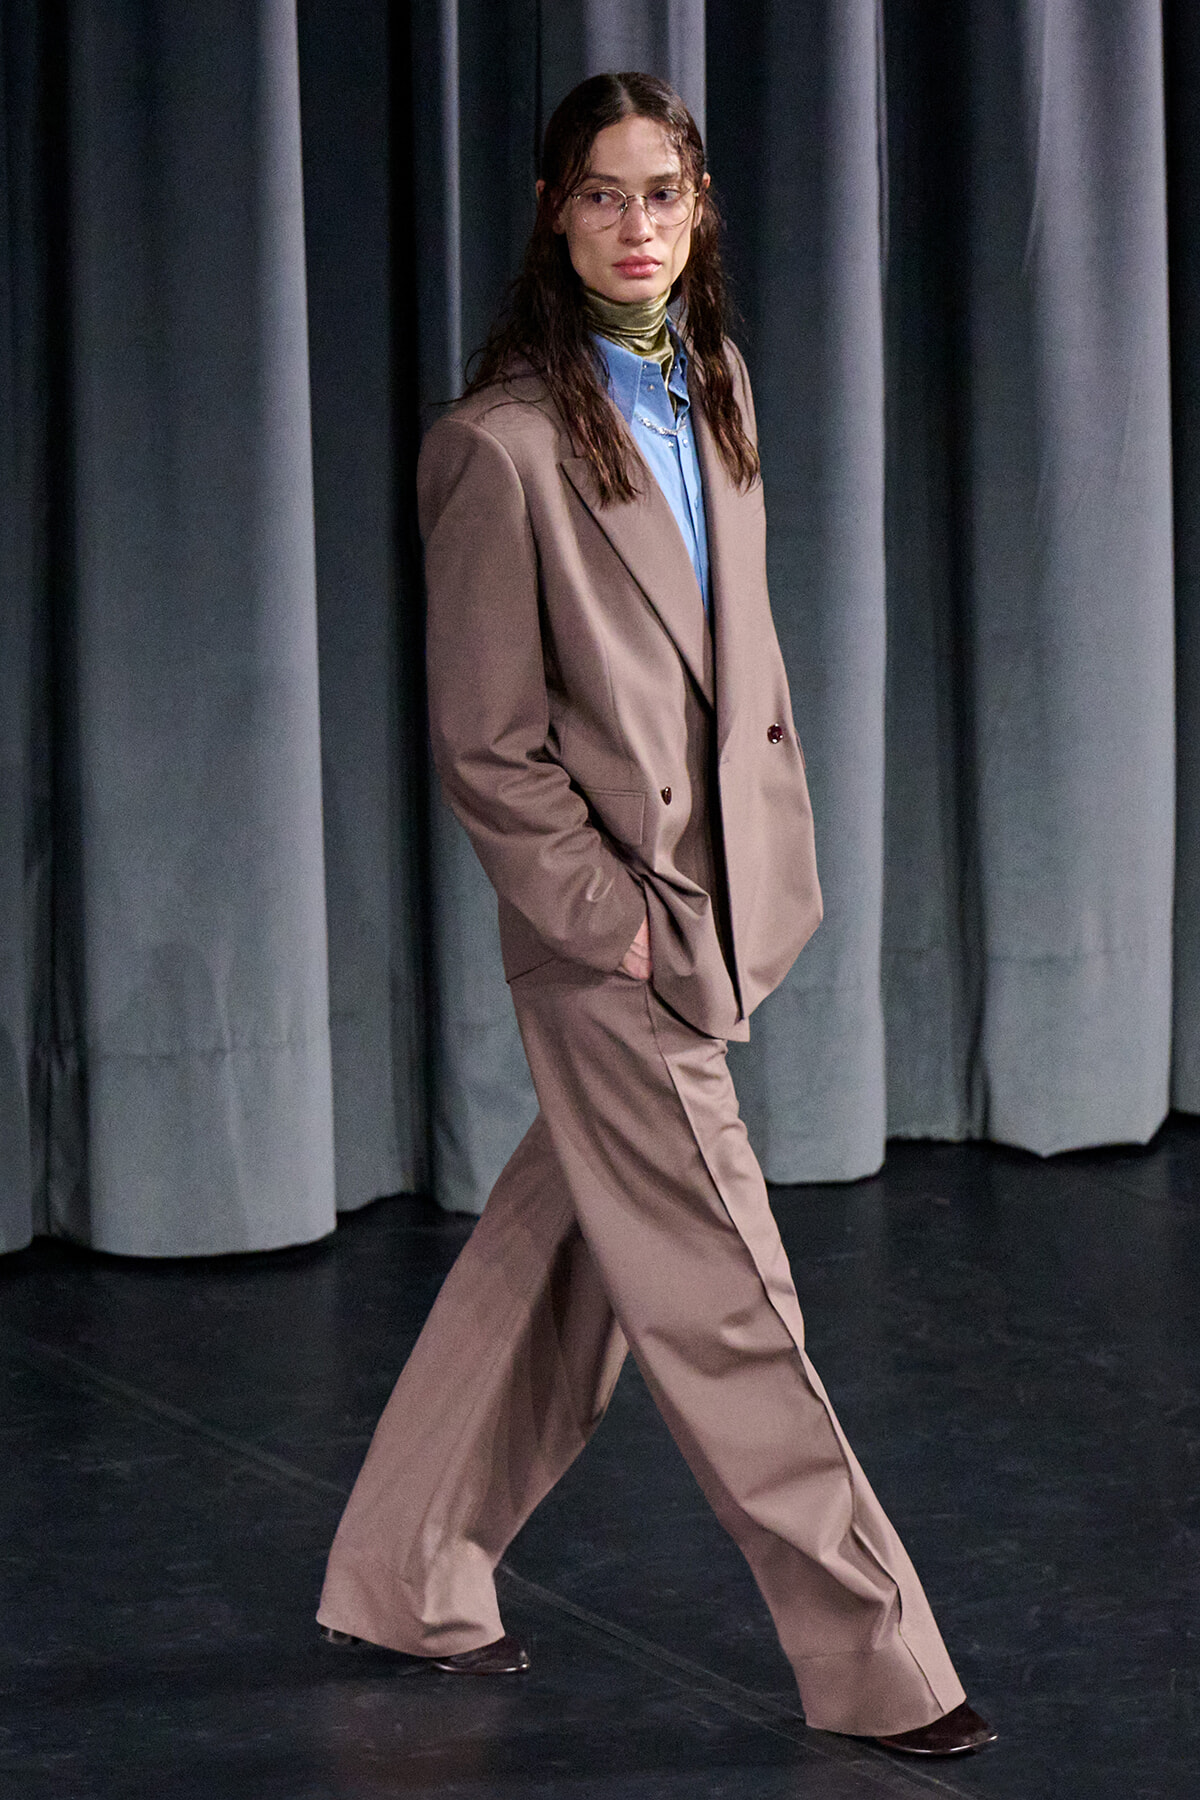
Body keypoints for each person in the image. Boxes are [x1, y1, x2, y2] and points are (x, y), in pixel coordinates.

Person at [317, 70, 995, 1759]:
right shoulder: (497, 448)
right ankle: (882, 1664)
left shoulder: (714, 388)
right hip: (615, 942)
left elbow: (727, 671)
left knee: (563, 1255)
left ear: (699, 211)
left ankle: (403, 1573)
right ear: (555, 211)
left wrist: (750, 877)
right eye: (607, 196)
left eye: (667, 195)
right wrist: (607, 922)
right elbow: (489, 742)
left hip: (728, 910)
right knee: (732, 1301)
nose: (640, 229)